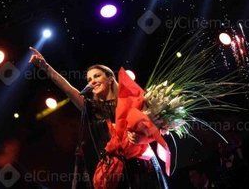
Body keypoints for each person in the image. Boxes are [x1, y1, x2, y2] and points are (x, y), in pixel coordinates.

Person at [28, 47, 166, 188]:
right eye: (89, 79)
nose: (92, 81)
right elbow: (68, 89)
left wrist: (141, 137)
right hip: (114, 171)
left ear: (110, 78)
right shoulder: (91, 108)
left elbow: (155, 128)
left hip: (142, 167)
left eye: (97, 76)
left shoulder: (131, 100)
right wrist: (46, 67)